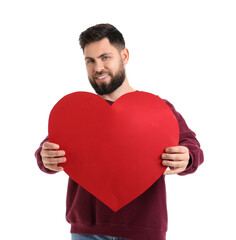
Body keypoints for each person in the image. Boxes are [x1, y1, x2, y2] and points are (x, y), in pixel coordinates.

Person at [35, 23, 204, 240]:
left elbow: (191, 145)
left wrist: (187, 157)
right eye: (90, 60)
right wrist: (45, 157)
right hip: (87, 232)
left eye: (105, 57)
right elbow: (49, 147)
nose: (98, 68)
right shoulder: (78, 113)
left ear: (124, 55)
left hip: (144, 231)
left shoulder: (156, 108)